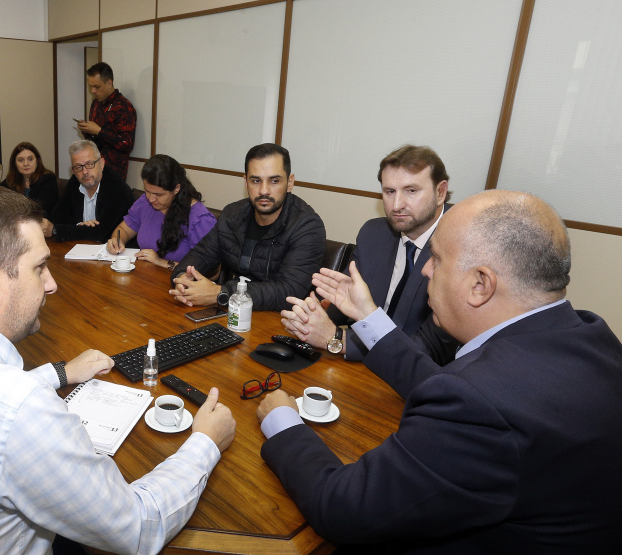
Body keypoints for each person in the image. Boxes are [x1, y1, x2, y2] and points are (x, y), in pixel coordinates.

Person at [0, 185, 236, 554]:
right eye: (39, 268)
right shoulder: (20, 411)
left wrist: (60, 373)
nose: (51, 285)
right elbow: (136, 527)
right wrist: (204, 443)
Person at [257, 190, 622, 552]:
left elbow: (340, 508)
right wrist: (369, 317)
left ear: (480, 284)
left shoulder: (482, 406)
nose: (426, 269)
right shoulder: (590, 337)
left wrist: (284, 421)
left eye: (436, 259)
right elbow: (452, 386)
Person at [281, 145, 459, 364]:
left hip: (421, 378)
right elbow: (344, 299)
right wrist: (313, 317)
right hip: (363, 368)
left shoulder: (461, 246)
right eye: (389, 192)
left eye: (411, 191)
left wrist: (337, 339)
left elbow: (429, 347)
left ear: (440, 192)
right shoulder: (374, 233)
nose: (396, 205)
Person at [169, 143, 325, 312]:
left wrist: (220, 293)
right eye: (256, 180)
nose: (264, 191)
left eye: (274, 181)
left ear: (290, 182)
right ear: (246, 182)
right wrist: (182, 279)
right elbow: (201, 254)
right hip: (232, 313)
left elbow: (288, 292)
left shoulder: (307, 226)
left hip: (280, 321)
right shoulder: (233, 215)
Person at [106, 154, 217, 269]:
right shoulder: (145, 202)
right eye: (147, 190)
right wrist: (116, 241)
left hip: (178, 283)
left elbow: (213, 271)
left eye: (158, 194)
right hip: (145, 276)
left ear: (176, 189)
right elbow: (124, 229)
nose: (151, 198)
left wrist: (162, 262)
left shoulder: (200, 220)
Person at [45, 140, 134, 243]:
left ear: (101, 163)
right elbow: (57, 217)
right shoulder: (75, 182)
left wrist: (60, 229)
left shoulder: (118, 189)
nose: (85, 171)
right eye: (78, 167)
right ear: (73, 170)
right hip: (79, 249)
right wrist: (79, 226)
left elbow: (99, 234)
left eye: (90, 164)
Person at [76, 62, 136, 180]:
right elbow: (95, 142)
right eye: (91, 87)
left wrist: (99, 131)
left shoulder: (123, 106)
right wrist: (86, 130)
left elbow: (126, 143)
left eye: (97, 87)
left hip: (113, 173)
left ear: (109, 83)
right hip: (93, 168)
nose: (93, 91)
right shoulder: (96, 104)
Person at [0, 141, 59, 217]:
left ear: (37, 161)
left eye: (30, 159)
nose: (26, 164)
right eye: (21, 160)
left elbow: (41, 210)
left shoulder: (48, 179)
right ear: (15, 164)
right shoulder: (10, 181)